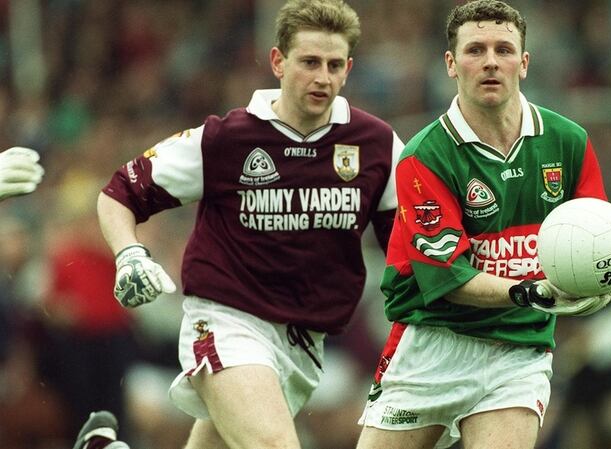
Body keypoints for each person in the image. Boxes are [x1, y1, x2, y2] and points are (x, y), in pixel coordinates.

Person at [356, 2, 611, 449]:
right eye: (475, 49)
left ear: (524, 63)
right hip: (433, 343)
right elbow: (448, 280)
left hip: (519, 347)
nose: (491, 61)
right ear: (451, 64)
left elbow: (604, 245)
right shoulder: (423, 156)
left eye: (503, 49)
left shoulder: (567, 140)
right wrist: (530, 290)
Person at [94, 0, 402, 448]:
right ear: (278, 61)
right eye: (310, 62)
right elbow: (119, 192)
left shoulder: (376, 143)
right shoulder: (226, 138)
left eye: (335, 65)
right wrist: (129, 253)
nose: (323, 77)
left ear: (349, 67)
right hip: (226, 322)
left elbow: (405, 243)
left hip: (304, 342)